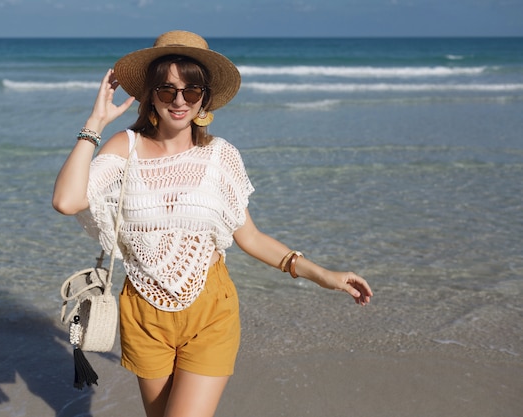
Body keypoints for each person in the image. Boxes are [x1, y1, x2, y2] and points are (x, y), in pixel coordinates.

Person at [52, 30, 373, 417]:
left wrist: (321, 274)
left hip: (211, 309)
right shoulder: (125, 147)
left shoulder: (220, 156)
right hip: (143, 312)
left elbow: (249, 236)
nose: (180, 101)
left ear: (205, 97)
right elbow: (66, 201)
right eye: (168, 90)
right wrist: (95, 122)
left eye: (192, 90)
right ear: (152, 93)